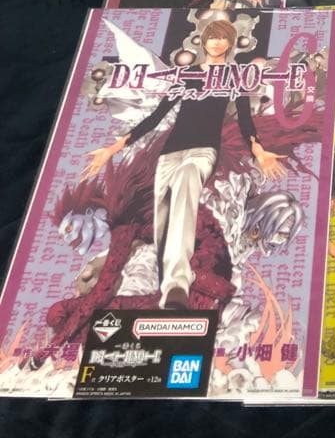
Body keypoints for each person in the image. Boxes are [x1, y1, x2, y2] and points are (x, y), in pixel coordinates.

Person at [80, 19, 285, 310]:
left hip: (202, 152)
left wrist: (258, 150)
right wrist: (113, 148)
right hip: (170, 153)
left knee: (185, 192)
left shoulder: (234, 77)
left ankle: (178, 284)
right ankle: (166, 291)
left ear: (229, 44)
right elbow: (155, 117)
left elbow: (244, 120)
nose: (216, 42)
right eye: (212, 37)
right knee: (163, 218)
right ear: (204, 41)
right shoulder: (188, 76)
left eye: (222, 38)